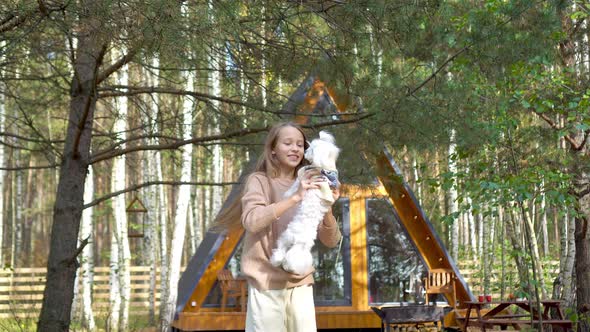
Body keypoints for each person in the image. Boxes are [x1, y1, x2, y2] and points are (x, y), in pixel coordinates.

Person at [212, 122, 342, 332]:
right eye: (288, 143)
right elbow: (252, 221)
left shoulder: (312, 180)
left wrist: (326, 206)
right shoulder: (259, 181)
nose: (295, 149)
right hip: (266, 282)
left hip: (300, 282)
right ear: (273, 149)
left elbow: (331, 240)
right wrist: (295, 197)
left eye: (300, 144)